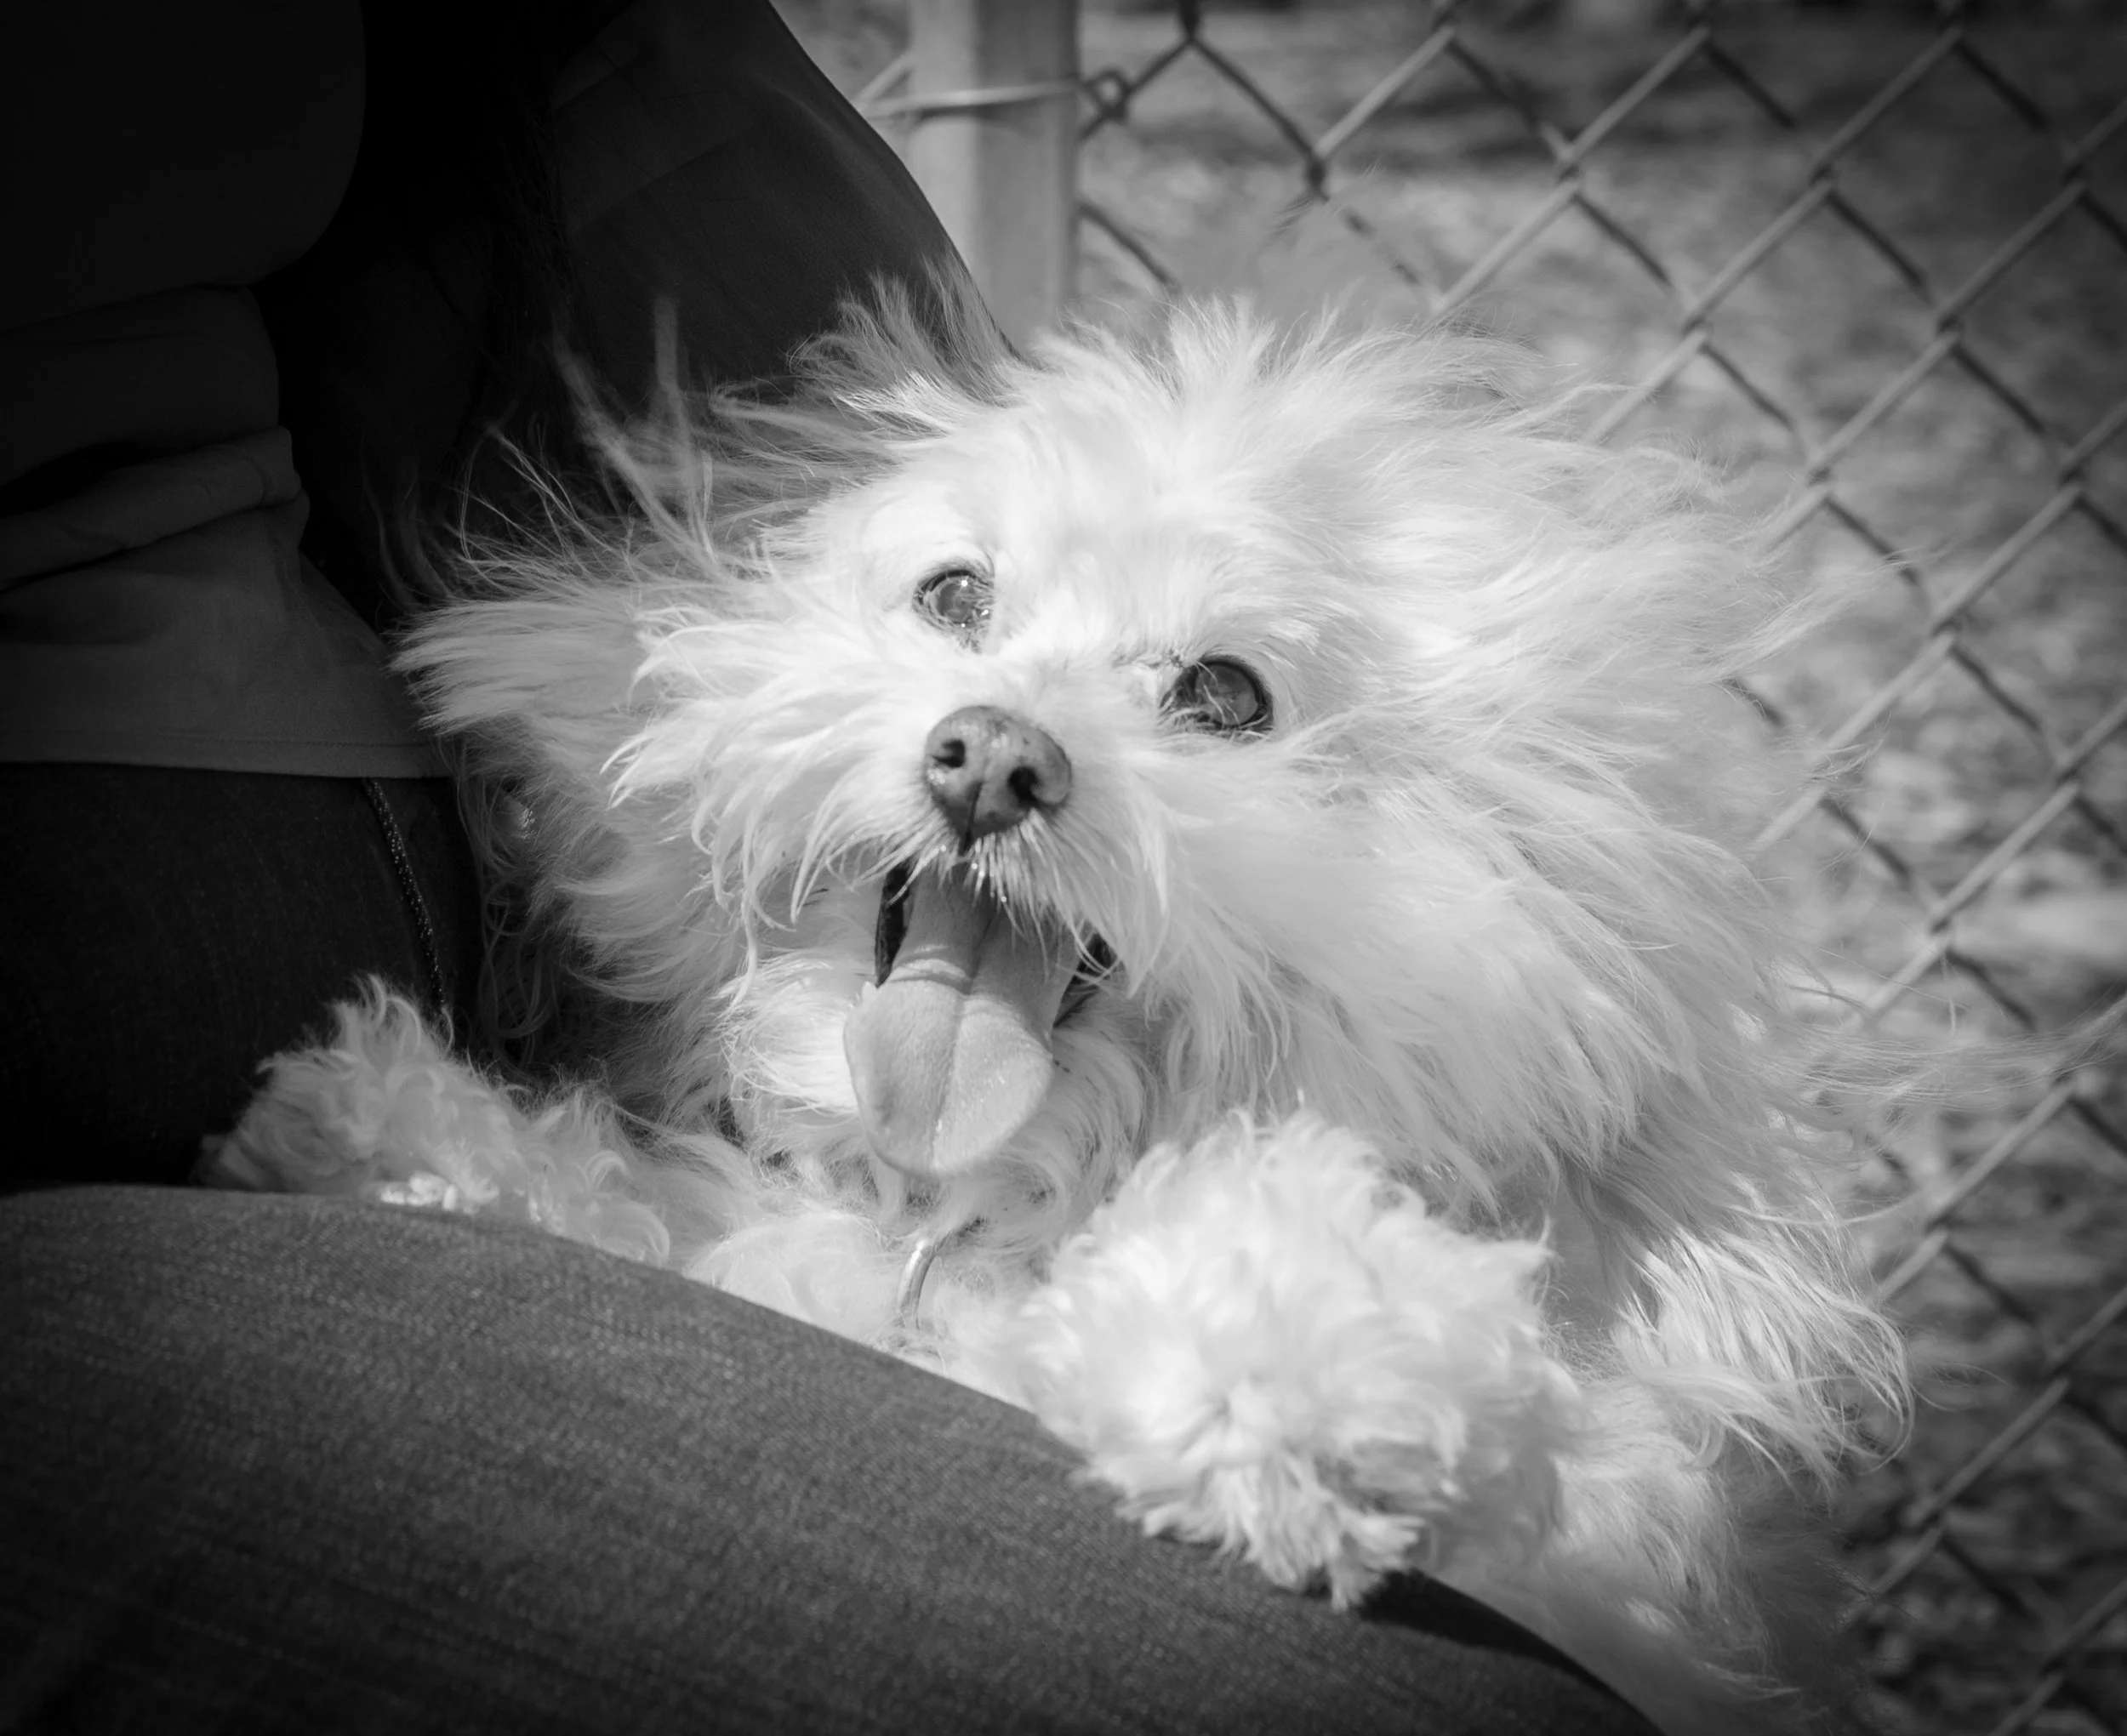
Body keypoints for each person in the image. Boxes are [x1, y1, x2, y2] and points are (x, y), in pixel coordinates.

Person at [0, 3, 1655, 1728]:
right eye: (954, 603)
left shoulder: (1337, 1269)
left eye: (1216, 695)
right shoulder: (682, 1132)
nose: (1002, 739)